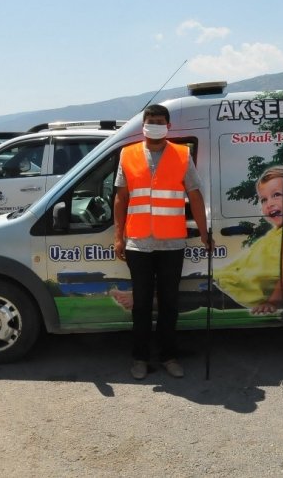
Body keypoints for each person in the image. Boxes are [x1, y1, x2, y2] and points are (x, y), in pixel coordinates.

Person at [113, 104, 210, 381]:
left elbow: (195, 194)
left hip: (172, 244)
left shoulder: (181, 154)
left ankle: (169, 356)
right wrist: (118, 237)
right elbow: (121, 198)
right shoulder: (128, 154)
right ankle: (140, 358)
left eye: (159, 121)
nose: (154, 124)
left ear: (168, 126)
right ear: (143, 124)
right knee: (141, 304)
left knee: (169, 303)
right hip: (138, 245)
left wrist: (204, 233)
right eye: (150, 120)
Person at [214, 165, 283, 315]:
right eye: (264, 199)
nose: (269, 204)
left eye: (276, 195)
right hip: (237, 282)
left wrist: (273, 302)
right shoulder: (277, 233)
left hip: (248, 291)